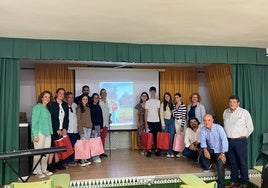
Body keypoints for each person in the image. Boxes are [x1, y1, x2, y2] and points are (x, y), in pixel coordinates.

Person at [223, 95, 254, 188]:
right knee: (232, 162)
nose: (231, 104)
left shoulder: (244, 113)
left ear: (238, 103)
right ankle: (234, 182)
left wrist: (243, 136)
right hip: (229, 141)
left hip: (240, 141)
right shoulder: (225, 112)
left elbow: (251, 128)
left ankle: (245, 183)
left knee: (242, 162)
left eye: (234, 102)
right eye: (230, 102)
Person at [199, 114, 228, 188]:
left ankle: (221, 185)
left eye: (209, 120)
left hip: (220, 151)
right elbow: (203, 141)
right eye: (205, 120)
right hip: (211, 149)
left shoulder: (219, 128)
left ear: (212, 121)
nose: (207, 122)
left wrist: (223, 154)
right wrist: (205, 150)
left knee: (220, 165)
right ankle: (207, 165)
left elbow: (224, 140)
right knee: (200, 149)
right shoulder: (202, 129)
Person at [31, 90, 53, 178]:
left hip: (48, 132)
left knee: (46, 153)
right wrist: (35, 134)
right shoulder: (37, 107)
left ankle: (44, 169)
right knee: (38, 153)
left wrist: (50, 132)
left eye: (49, 97)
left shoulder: (46, 108)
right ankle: (37, 171)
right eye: (45, 97)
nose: (47, 99)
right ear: (41, 98)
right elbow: (34, 122)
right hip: (39, 132)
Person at [47, 88, 69, 172]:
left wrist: (64, 128)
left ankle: (57, 163)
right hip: (53, 129)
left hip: (61, 129)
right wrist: (56, 129)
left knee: (58, 147)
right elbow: (51, 118)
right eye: (60, 93)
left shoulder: (65, 105)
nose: (61, 95)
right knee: (52, 147)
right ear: (56, 94)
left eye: (63, 94)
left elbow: (66, 118)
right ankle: (49, 165)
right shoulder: (52, 104)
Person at [144, 86, 161, 157]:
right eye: (151, 92)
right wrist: (146, 123)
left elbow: (159, 112)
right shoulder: (147, 102)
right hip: (149, 122)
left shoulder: (158, 101)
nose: (153, 93)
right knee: (149, 137)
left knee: (156, 137)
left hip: (157, 121)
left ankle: (157, 150)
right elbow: (146, 112)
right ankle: (149, 150)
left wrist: (160, 121)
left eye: (154, 91)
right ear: (150, 92)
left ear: (155, 92)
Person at [76, 95, 92, 167]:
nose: (85, 100)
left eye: (86, 99)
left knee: (86, 145)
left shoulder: (88, 108)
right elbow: (78, 120)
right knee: (82, 144)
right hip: (83, 128)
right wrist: (81, 130)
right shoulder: (79, 108)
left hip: (89, 128)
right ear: (81, 100)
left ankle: (85, 159)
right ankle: (81, 160)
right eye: (83, 99)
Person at [65, 92, 79, 166]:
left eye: (72, 97)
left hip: (74, 130)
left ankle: (71, 160)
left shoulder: (75, 105)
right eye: (69, 97)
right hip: (67, 130)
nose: (71, 99)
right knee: (67, 146)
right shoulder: (64, 106)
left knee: (73, 145)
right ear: (66, 98)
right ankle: (66, 161)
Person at [160, 92, 175, 157]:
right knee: (166, 137)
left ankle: (171, 151)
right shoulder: (162, 104)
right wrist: (163, 124)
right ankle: (167, 151)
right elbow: (161, 115)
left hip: (172, 121)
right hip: (165, 121)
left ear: (170, 97)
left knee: (171, 136)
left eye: (168, 96)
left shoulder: (173, 104)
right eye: (165, 96)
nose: (166, 97)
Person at [90, 93, 104, 163]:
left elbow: (101, 117)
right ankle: (95, 157)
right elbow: (90, 118)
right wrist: (92, 128)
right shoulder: (90, 107)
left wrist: (101, 126)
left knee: (97, 142)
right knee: (94, 142)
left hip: (98, 127)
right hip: (93, 127)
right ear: (92, 99)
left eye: (97, 98)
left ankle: (96, 156)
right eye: (95, 98)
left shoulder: (98, 106)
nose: (96, 99)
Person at [173, 93, 187, 157]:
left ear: (180, 98)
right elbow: (174, 114)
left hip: (181, 121)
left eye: (177, 97)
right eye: (175, 97)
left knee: (183, 137)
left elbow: (184, 116)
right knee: (178, 137)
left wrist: (182, 125)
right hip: (176, 121)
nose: (176, 99)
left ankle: (184, 152)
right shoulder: (174, 105)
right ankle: (179, 151)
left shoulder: (183, 106)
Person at [99, 88, 112, 157]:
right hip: (100, 123)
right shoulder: (98, 101)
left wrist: (109, 118)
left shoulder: (108, 102)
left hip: (106, 123)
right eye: (102, 93)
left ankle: (102, 152)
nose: (104, 94)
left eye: (105, 93)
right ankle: (98, 152)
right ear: (100, 94)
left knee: (103, 138)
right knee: (98, 138)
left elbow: (109, 112)